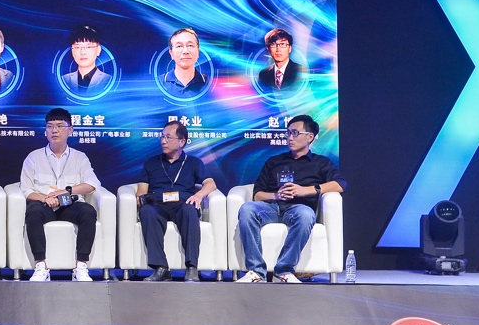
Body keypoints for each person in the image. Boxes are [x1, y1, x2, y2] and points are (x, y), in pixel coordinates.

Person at [235, 114, 346, 283]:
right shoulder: (274, 161)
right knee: (247, 209)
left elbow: (341, 184)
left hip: (299, 208)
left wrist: (306, 190)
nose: (290, 138)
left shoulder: (320, 163)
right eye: (288, 133)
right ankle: (256, 271)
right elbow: (257, 194)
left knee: (306, 215)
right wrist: (276, 195)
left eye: (295, 133)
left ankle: (284, 271)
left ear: (310, 137)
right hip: (271, 207)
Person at [19, 108, 102, 281]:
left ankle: (81, 266)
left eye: (59, 126)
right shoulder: (33, 157)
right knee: (33, 211)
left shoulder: (80, 157)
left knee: (88, 212)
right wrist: (44, 198)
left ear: (70, 130)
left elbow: (92, 184)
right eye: (50, 126)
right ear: (45, 131)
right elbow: (26, 189)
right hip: (44, 205)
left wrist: (67, 191)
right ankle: (41, 266)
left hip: (69, 205)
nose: (54, 130)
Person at [135, 120, 217, 282]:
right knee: (147, 211)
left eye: (168, 137)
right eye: (162, 137)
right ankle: (161, 268)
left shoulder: (193, 162)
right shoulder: (151, 163)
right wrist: (141, 199)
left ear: (182, 142)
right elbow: (142, 190)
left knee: (190, 210)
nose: (163, 141)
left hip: (182, 205)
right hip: (158, 206)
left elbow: (211, 184)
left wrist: (199, 195)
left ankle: (192, 267)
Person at [60, 25, 110, 92]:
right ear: (72, 51)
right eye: (78, 47)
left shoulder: (108, 80)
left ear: (98, 50)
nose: (83, 52)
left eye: (88, 47)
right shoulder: (64, 80)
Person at [160, 27, 206, 97]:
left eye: (190, 45)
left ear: (198, 52)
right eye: (179, 46)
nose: (185, 51)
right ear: (171, 53)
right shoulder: (158, 83)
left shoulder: (211, 85)